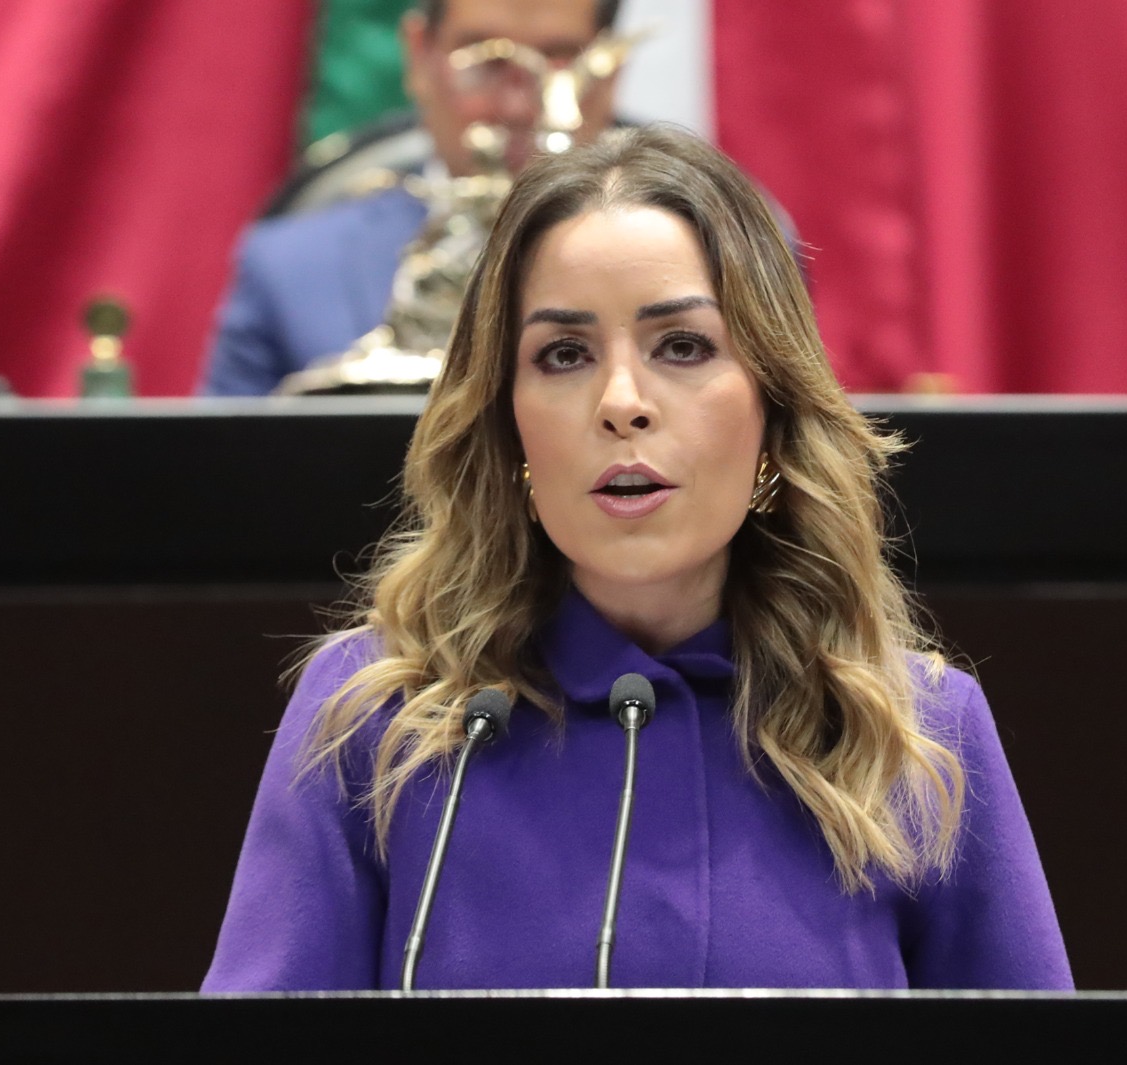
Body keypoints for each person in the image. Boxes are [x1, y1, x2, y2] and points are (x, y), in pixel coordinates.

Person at [202, 125, 1072, 991]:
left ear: (773, 408)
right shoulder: (376, 717)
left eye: (682, 346)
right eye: (565, 354)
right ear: (508, 423)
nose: (621, 402)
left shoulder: (918, 731)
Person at [196, 0, 625, 396]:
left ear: (610, 69)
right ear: (420, 54)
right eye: (485, 60)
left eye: (559, 60)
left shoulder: (669, 245)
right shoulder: (288, 268)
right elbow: (222, 454)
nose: (517, 106)